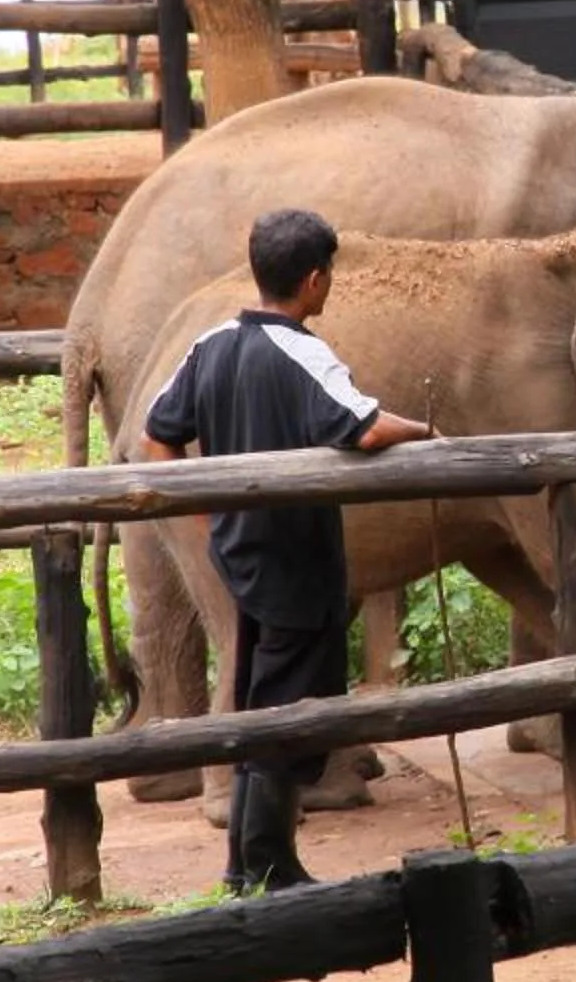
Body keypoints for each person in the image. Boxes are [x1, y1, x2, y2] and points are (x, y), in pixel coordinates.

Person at [139, 208, 434, 892]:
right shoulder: (305, 352)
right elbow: (361, 429)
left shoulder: (210, 343)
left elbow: (159, 434)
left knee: (261, 701)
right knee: (285, 712)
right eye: (328, 276)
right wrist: (427, 427)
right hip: (295, 559)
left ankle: (250, 862)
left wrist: (207, 511)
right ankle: (267, 864)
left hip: (239, 553)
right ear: (312, 280)